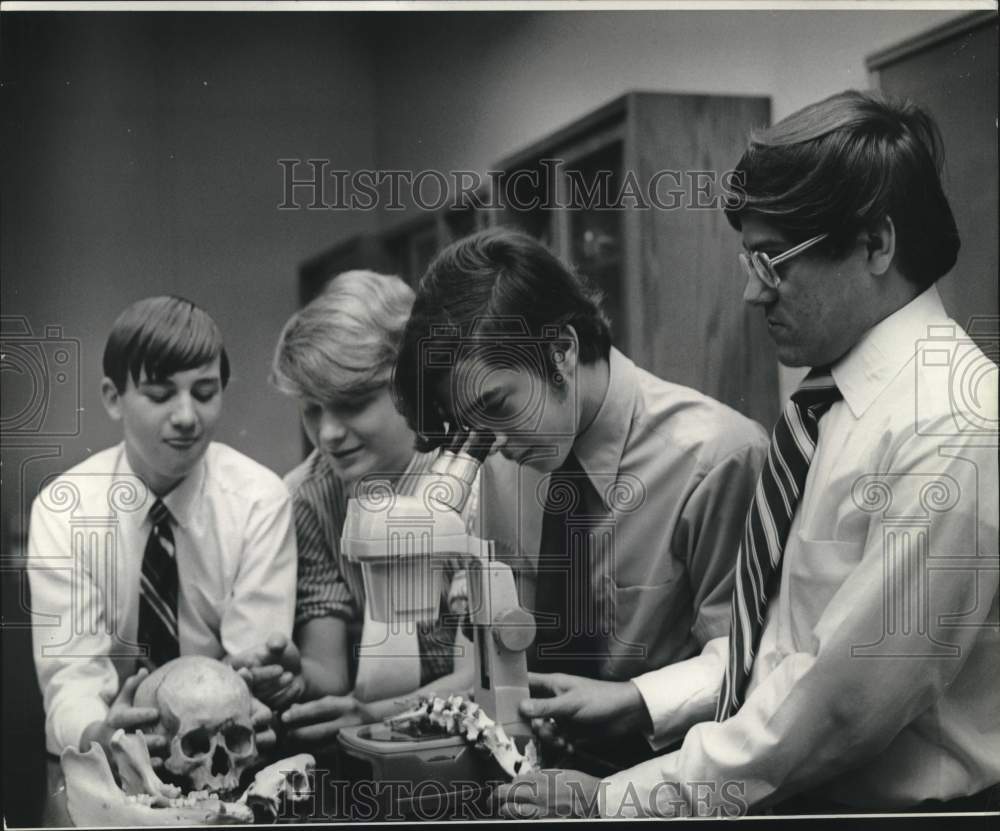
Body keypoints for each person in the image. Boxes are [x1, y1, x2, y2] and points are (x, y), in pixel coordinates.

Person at [496, 90, 1000, 818]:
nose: (748, 293)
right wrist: (644, 701)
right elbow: (786, 654)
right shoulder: (830, 408)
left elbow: (837, 707)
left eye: (773, 261)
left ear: (875, 244)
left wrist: (617, 800)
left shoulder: (951, 424)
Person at [392, 228, 769, 768]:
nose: (491, 441)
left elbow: (748, 666)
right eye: (472, 424)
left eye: (497, 405)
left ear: (561, 351)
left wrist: (634, 701)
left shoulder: (716, 459)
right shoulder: (503, 459)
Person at [27, 295, 297, 765]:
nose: (187, 416)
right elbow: (72, 677)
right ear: (114, 398)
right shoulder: (64, 510)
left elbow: (249, 668)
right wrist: (100, 734)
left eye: (205, 392)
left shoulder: (259, 500)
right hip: (101, 758)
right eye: (159, 394)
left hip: (219, 753)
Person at [269, 270, 476, 750]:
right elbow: (331, 674)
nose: (328, 434)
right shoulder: (307, 497)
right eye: (312, 409)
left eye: (353, 403)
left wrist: (376, 714)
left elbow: (480, 675)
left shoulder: (479, 479)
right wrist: (292, 681)